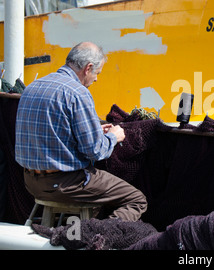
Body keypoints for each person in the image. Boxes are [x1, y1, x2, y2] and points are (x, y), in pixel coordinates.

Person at [15, 42, 147, 222]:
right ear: (88, 68)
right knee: (136, 200)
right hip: (65, 185)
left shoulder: (32, 87)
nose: (96, 79)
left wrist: (94, 130)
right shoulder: (78, 93)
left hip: (30, 182)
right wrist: (113, 137)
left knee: (96, 196)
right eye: (97, 73)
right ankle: (99, 235)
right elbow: (95, 151)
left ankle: (77, 233)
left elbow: (51, 132)